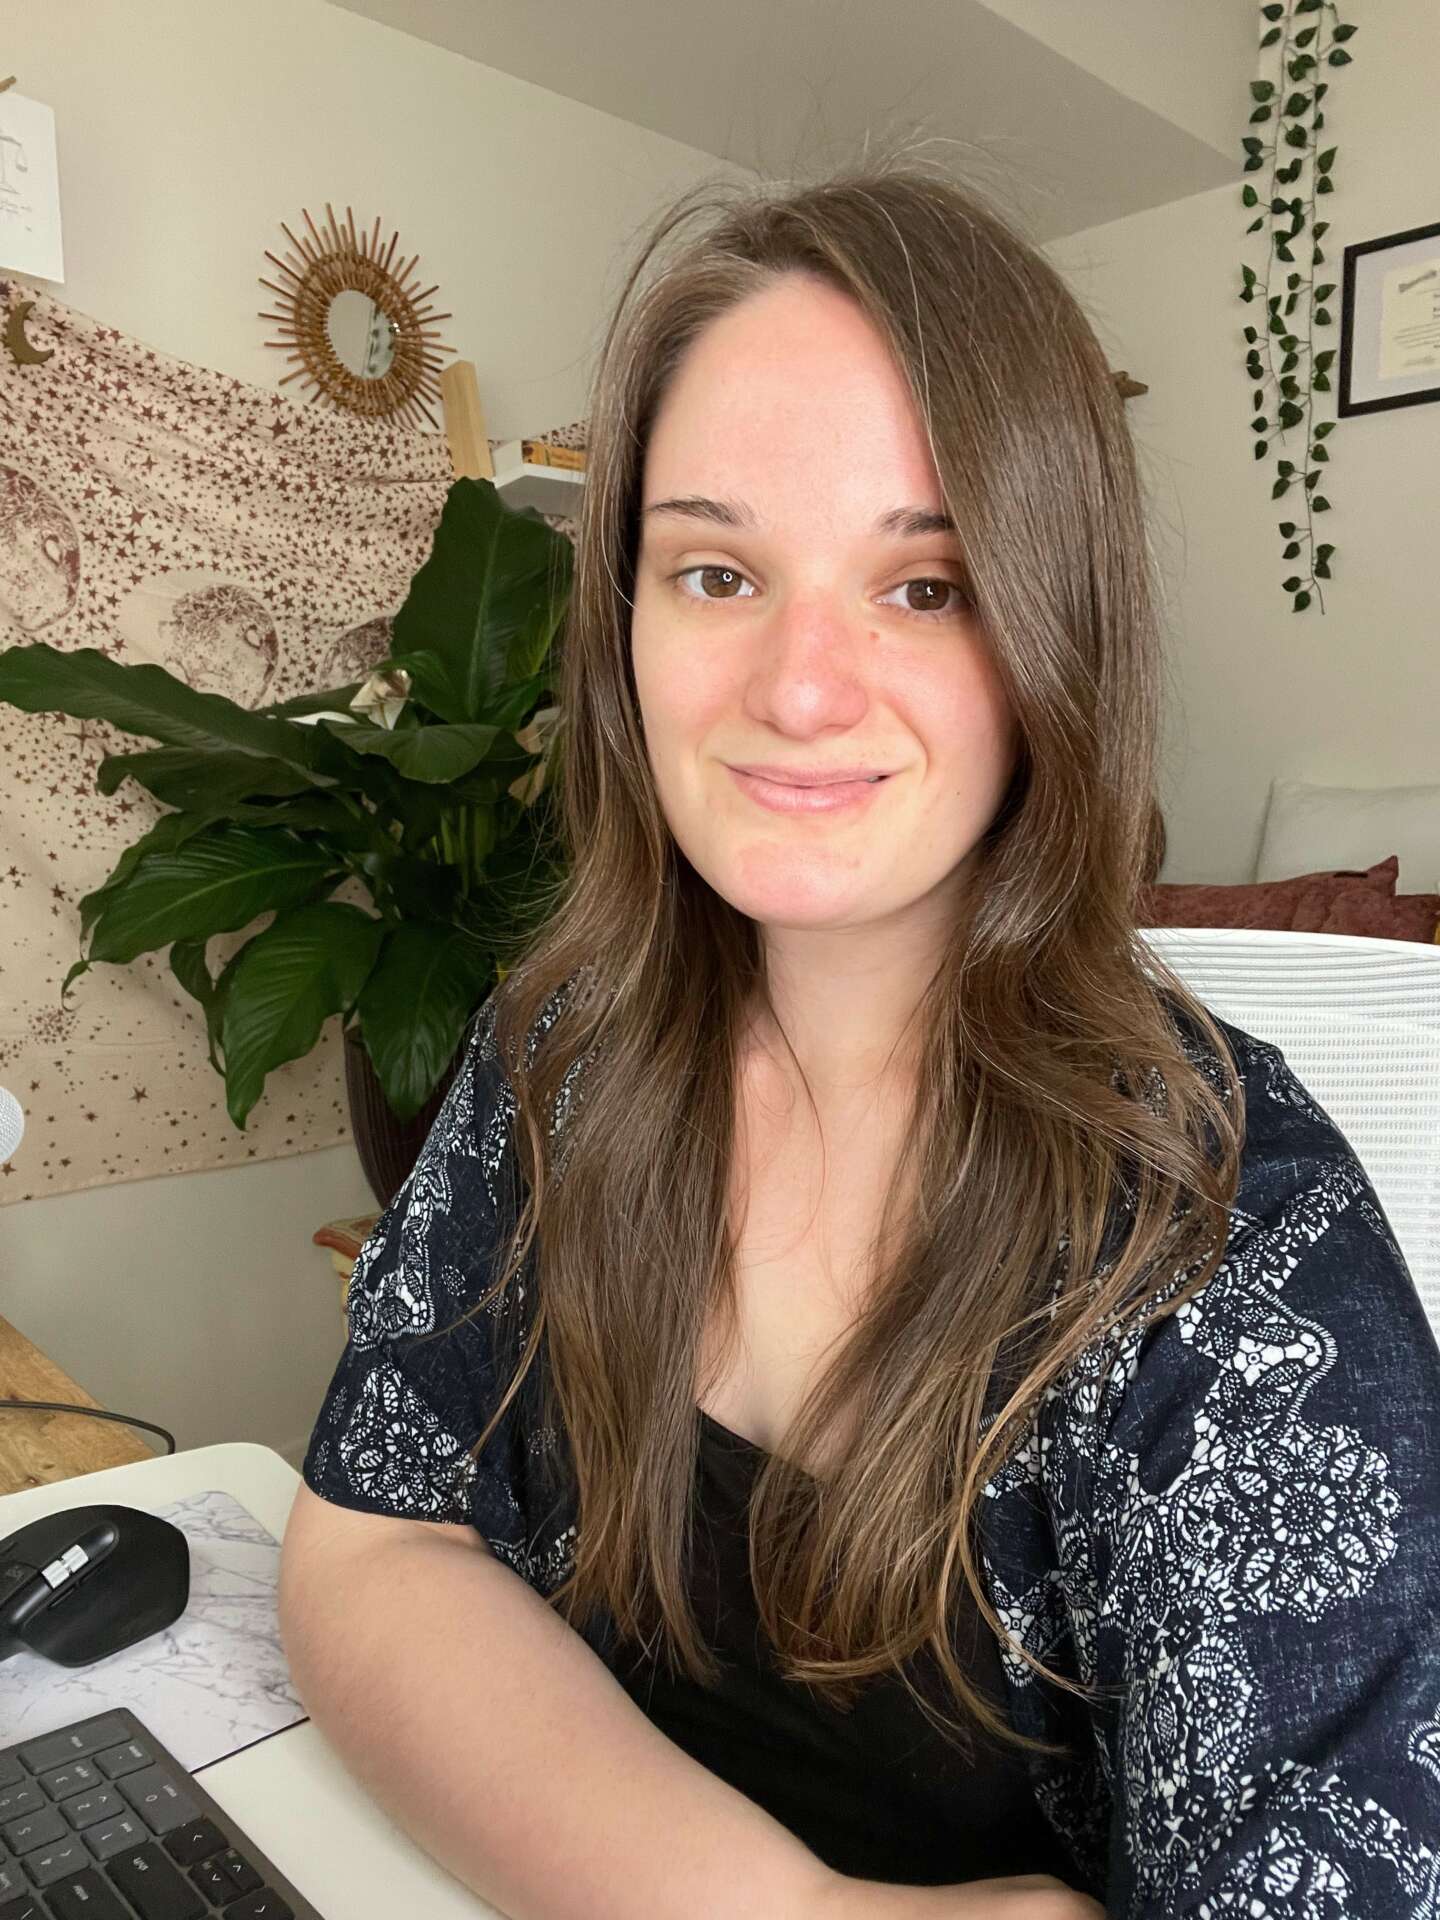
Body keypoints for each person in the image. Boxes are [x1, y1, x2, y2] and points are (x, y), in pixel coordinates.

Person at [278, 151, 1440, 1920]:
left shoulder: (1239, 1253)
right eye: (716, 572)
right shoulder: (565, 1047)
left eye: (926, 586)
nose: (800, 688)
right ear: (624, 622)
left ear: (1056, 635)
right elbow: (376, 1547)